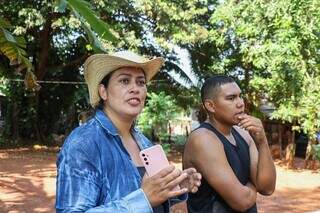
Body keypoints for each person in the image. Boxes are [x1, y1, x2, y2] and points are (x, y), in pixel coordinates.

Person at [55, 51, 202, 212]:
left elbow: (154, 196)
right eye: (124, 81)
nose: (135, 88)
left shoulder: (143, 141)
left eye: (141, 82)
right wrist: (143, 199)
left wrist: (175, 184)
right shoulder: (84, 142)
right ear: (103, 92)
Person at [183, 75, 276, 212]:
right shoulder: (203, 139)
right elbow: (242, 201)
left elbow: (267, 188)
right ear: (211, 106)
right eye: (231, 98)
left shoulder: (243, 134)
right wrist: (253, 183)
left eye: (240, 96)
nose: (240, 103)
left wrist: (262, 142)